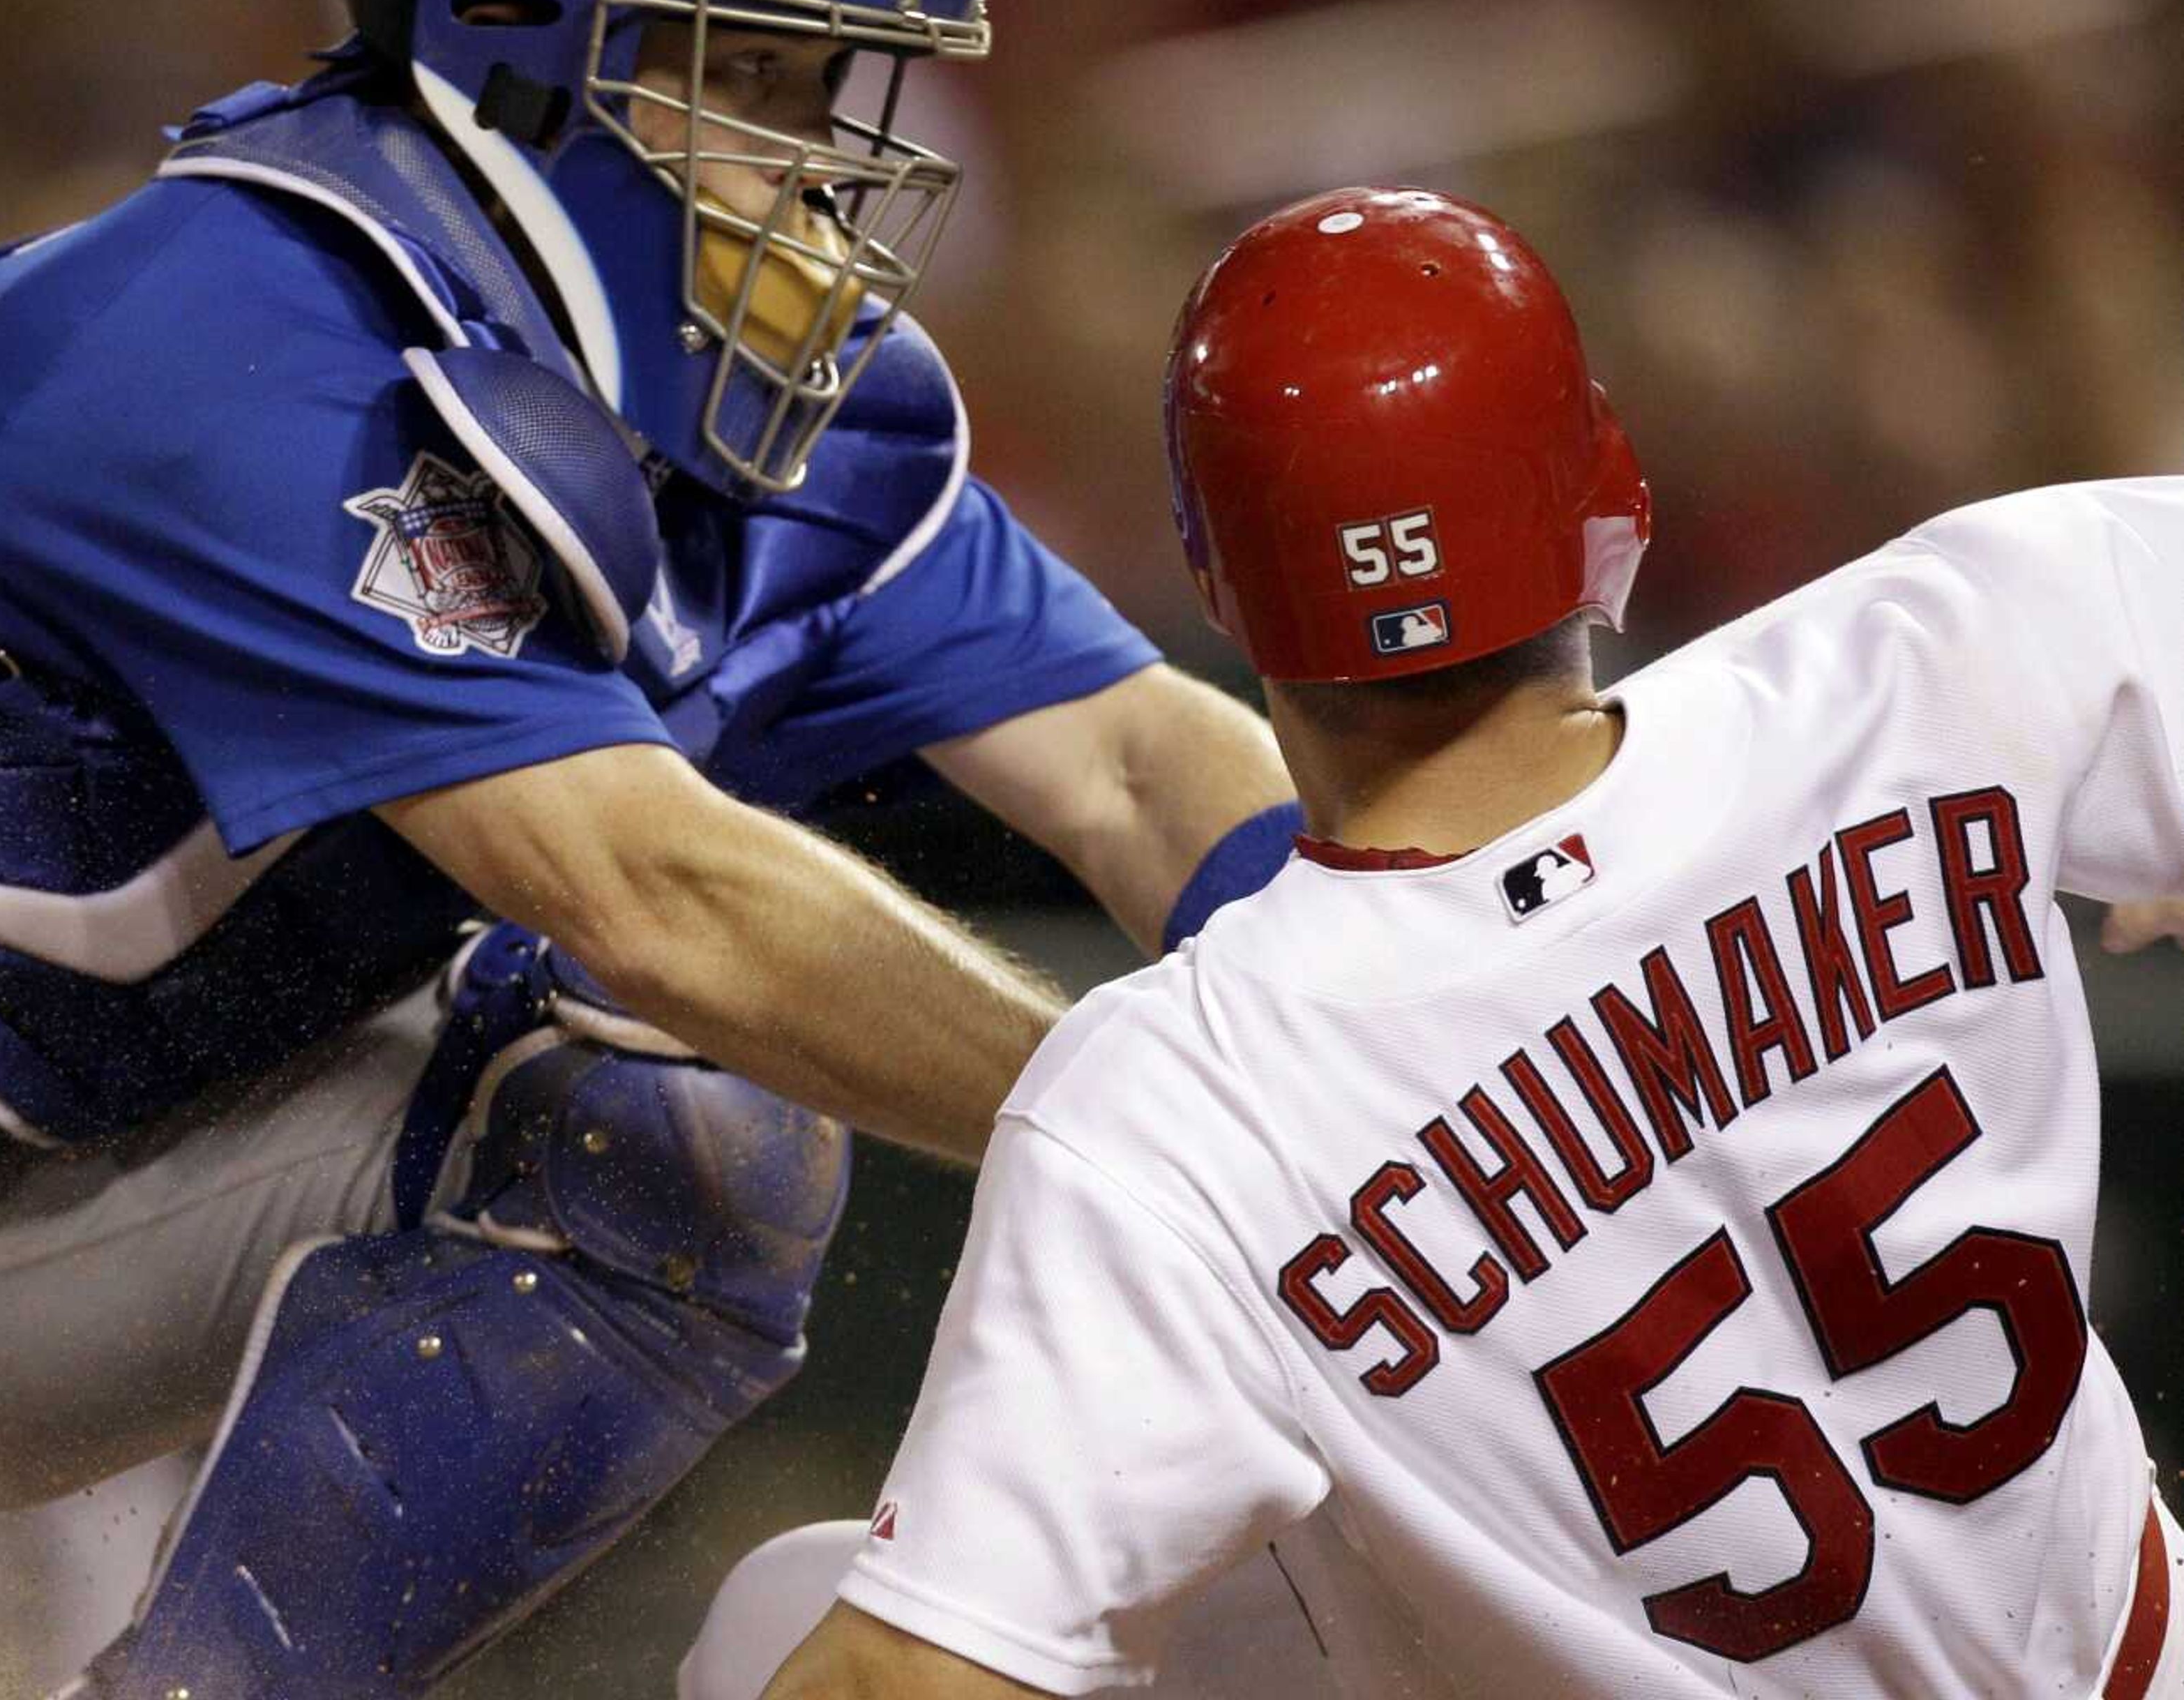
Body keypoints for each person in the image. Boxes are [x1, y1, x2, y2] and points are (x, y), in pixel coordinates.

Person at [0, 0, 1302, 1699]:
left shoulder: (738, 404)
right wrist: (1195, 1148)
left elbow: (1142, 764)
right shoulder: (241, 329)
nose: (836, 162)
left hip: (38, 1183)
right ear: (539, 59)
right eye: (770, 80)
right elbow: (665, 896)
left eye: (842, 86)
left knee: (668, 1140)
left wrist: (1421, 1000)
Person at [727, 186, 2184, 1699]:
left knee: (790, 1615)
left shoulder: (1177, 1105)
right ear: (1601, 486)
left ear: (1218, 578)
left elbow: (896, 1682)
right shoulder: (1945, 659)